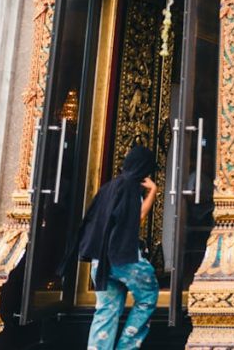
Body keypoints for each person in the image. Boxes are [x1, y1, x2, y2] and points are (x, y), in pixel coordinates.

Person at [77, 145, 160, 350]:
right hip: (123, 257)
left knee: (106, 310)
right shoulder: (130, 187)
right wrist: (153, 191)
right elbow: (137, 217)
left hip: (100, 260)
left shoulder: (109, 187)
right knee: (148, 296)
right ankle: (126, 346)